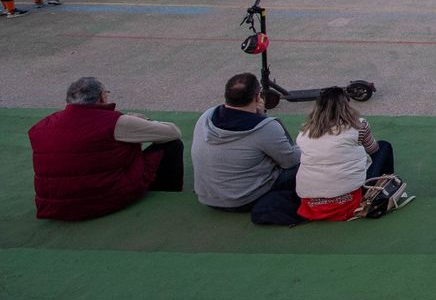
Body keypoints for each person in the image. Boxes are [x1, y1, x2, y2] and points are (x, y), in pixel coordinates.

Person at [29, 76, 185, 220]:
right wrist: (144, 121)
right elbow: (172, 132)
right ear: (102, 96)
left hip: (52, 204)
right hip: (101, 198)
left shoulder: (42, 125)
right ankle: (168, 193)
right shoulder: (115, 122)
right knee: (172, 145)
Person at [191, 72, 302, 222]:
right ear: (257, 97)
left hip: (207, 198)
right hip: (245, 200)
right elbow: (291, 161)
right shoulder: (266, 127)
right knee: (306, 162)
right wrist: (264, 118)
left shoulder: (207, 116)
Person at [295, 86, 397, 221]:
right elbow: (373, 150)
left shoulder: (304, 132)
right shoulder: (359, 125)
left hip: (311, 204)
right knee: (384, 146)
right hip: (349, 200)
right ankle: (386, 187)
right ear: (346, 105)